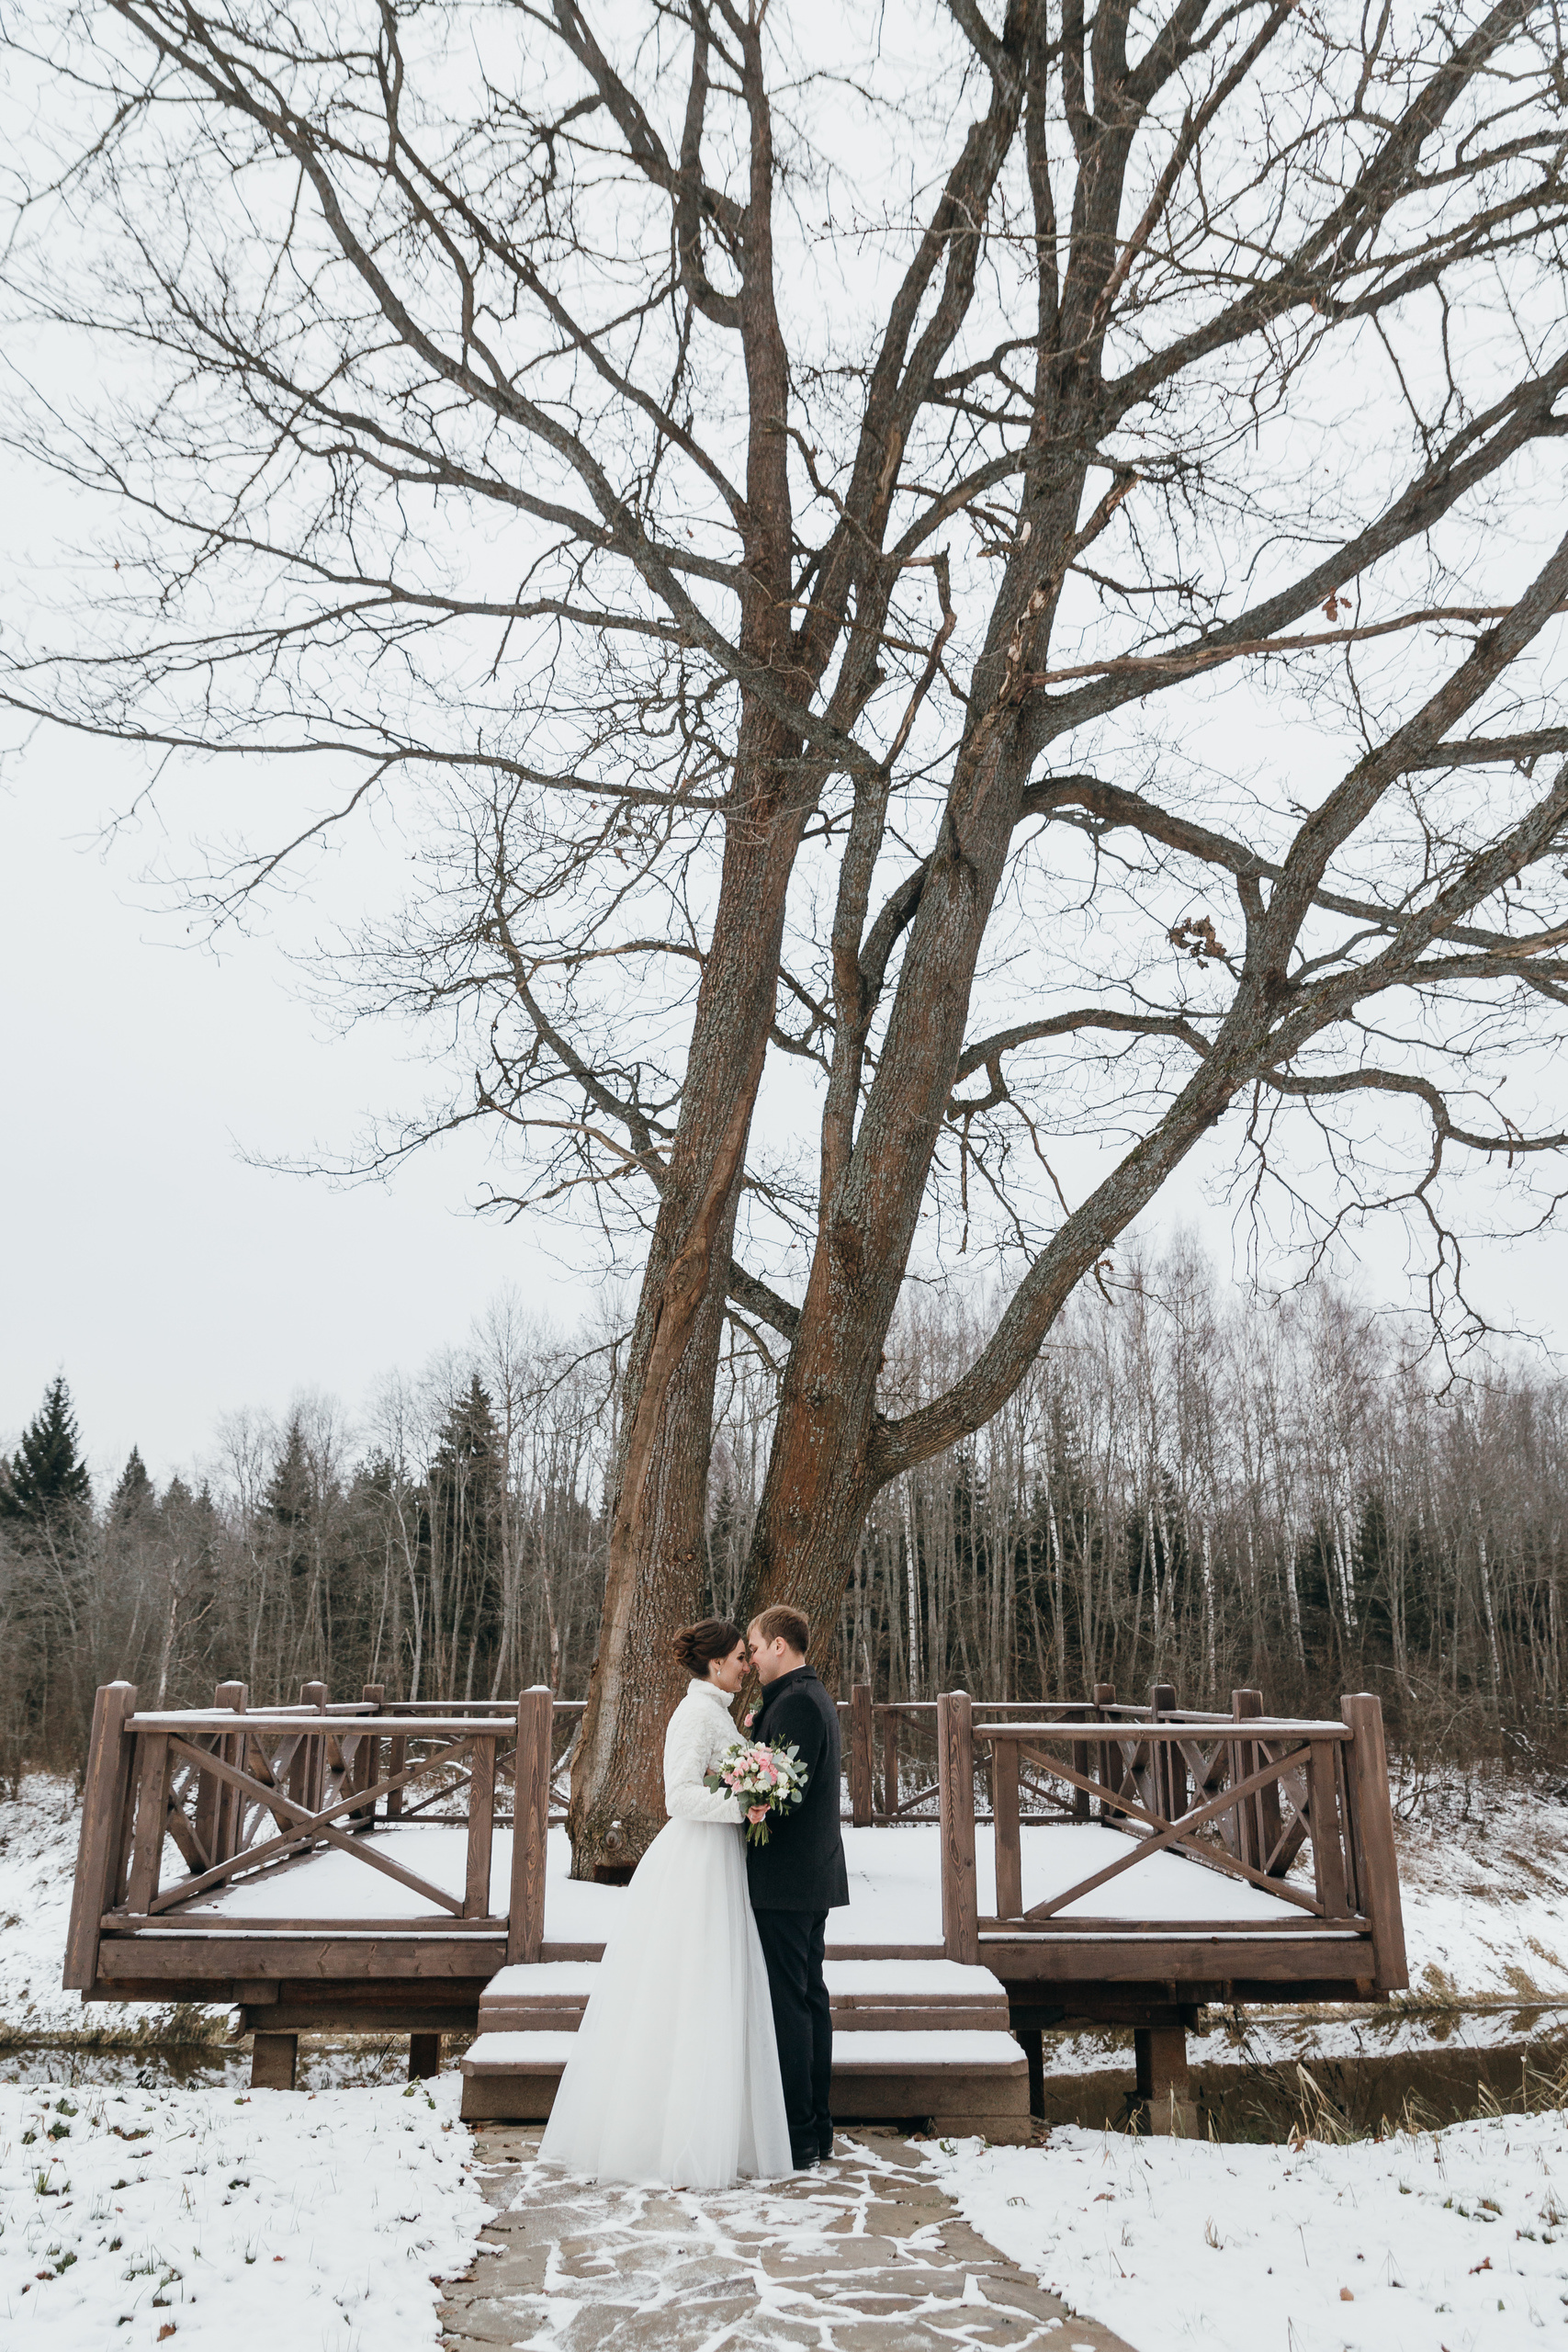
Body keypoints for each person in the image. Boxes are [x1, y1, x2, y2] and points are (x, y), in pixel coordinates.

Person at [537, 1617, 793, 2188]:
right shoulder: (695, 1715)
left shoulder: (717, 1712)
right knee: (691, 1985)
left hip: (720, 1859)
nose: (745, 1666)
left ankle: (720, 2126)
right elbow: (679, 1795)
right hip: (696, 1859)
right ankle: (672, 2135)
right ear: (715, 1665)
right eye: (738, 1658)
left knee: (716, 1985)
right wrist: (746, 1806)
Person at [745, 1605, 850, 2169]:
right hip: (804, 1878)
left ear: (780, 1645)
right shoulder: (800, 1698)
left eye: (756, 1646)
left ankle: (800, 2133)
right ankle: (815, 2129)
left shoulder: (799, 1703)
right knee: (807, 1998)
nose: (752, 1657)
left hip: (788, 1880)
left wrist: (740, 1803)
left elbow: (782, 1797)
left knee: (793, 2005)